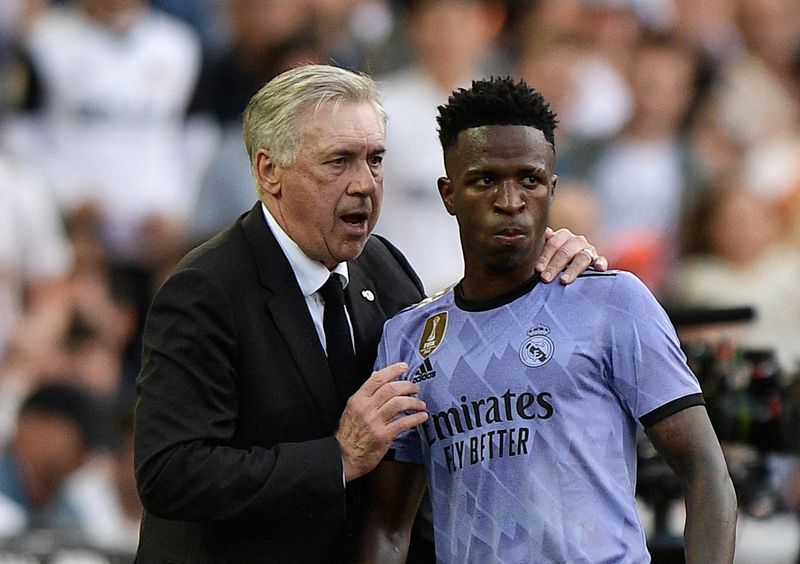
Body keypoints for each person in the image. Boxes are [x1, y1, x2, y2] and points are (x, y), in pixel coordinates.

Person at [133, 64, 605, 563]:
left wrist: (540, 265)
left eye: (375, 159)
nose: (364, 184)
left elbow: (448, 383)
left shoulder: (383, 268)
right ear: (269, 171)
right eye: (339, 161)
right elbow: (170, 473)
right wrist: (336, 457)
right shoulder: (205, 290)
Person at [355, 77, 738, 563]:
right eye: (485, 180)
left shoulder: (613, 300)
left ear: (551, 188)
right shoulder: (408, 340)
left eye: (529, 179)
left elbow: (707, 473)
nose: (510, 200)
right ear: (449, 193)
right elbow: (388, 526)